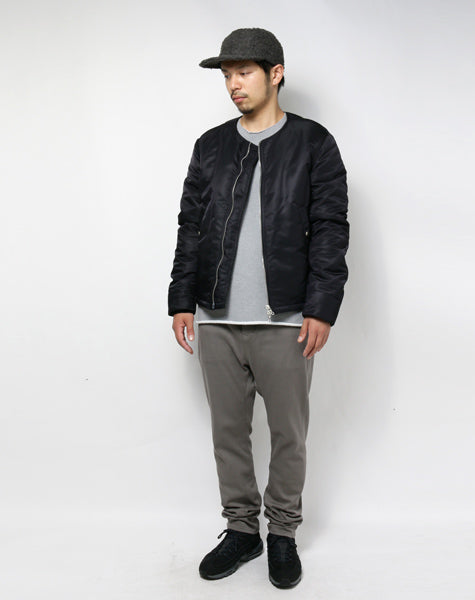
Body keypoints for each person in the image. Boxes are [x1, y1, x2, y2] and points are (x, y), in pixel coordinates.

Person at [168, 27, 349, 589]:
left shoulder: (313, 143)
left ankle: (284, 534)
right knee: (228, 432)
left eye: (243, 72)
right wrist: (181, 299)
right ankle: (242, 530)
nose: (233, 84)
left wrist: (321, 307)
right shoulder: (210, 146)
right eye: (227, 75)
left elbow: (330, 228)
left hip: (287, 318)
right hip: (216, 317)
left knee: (289, 433)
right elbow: (190, 227)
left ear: (275, 73)